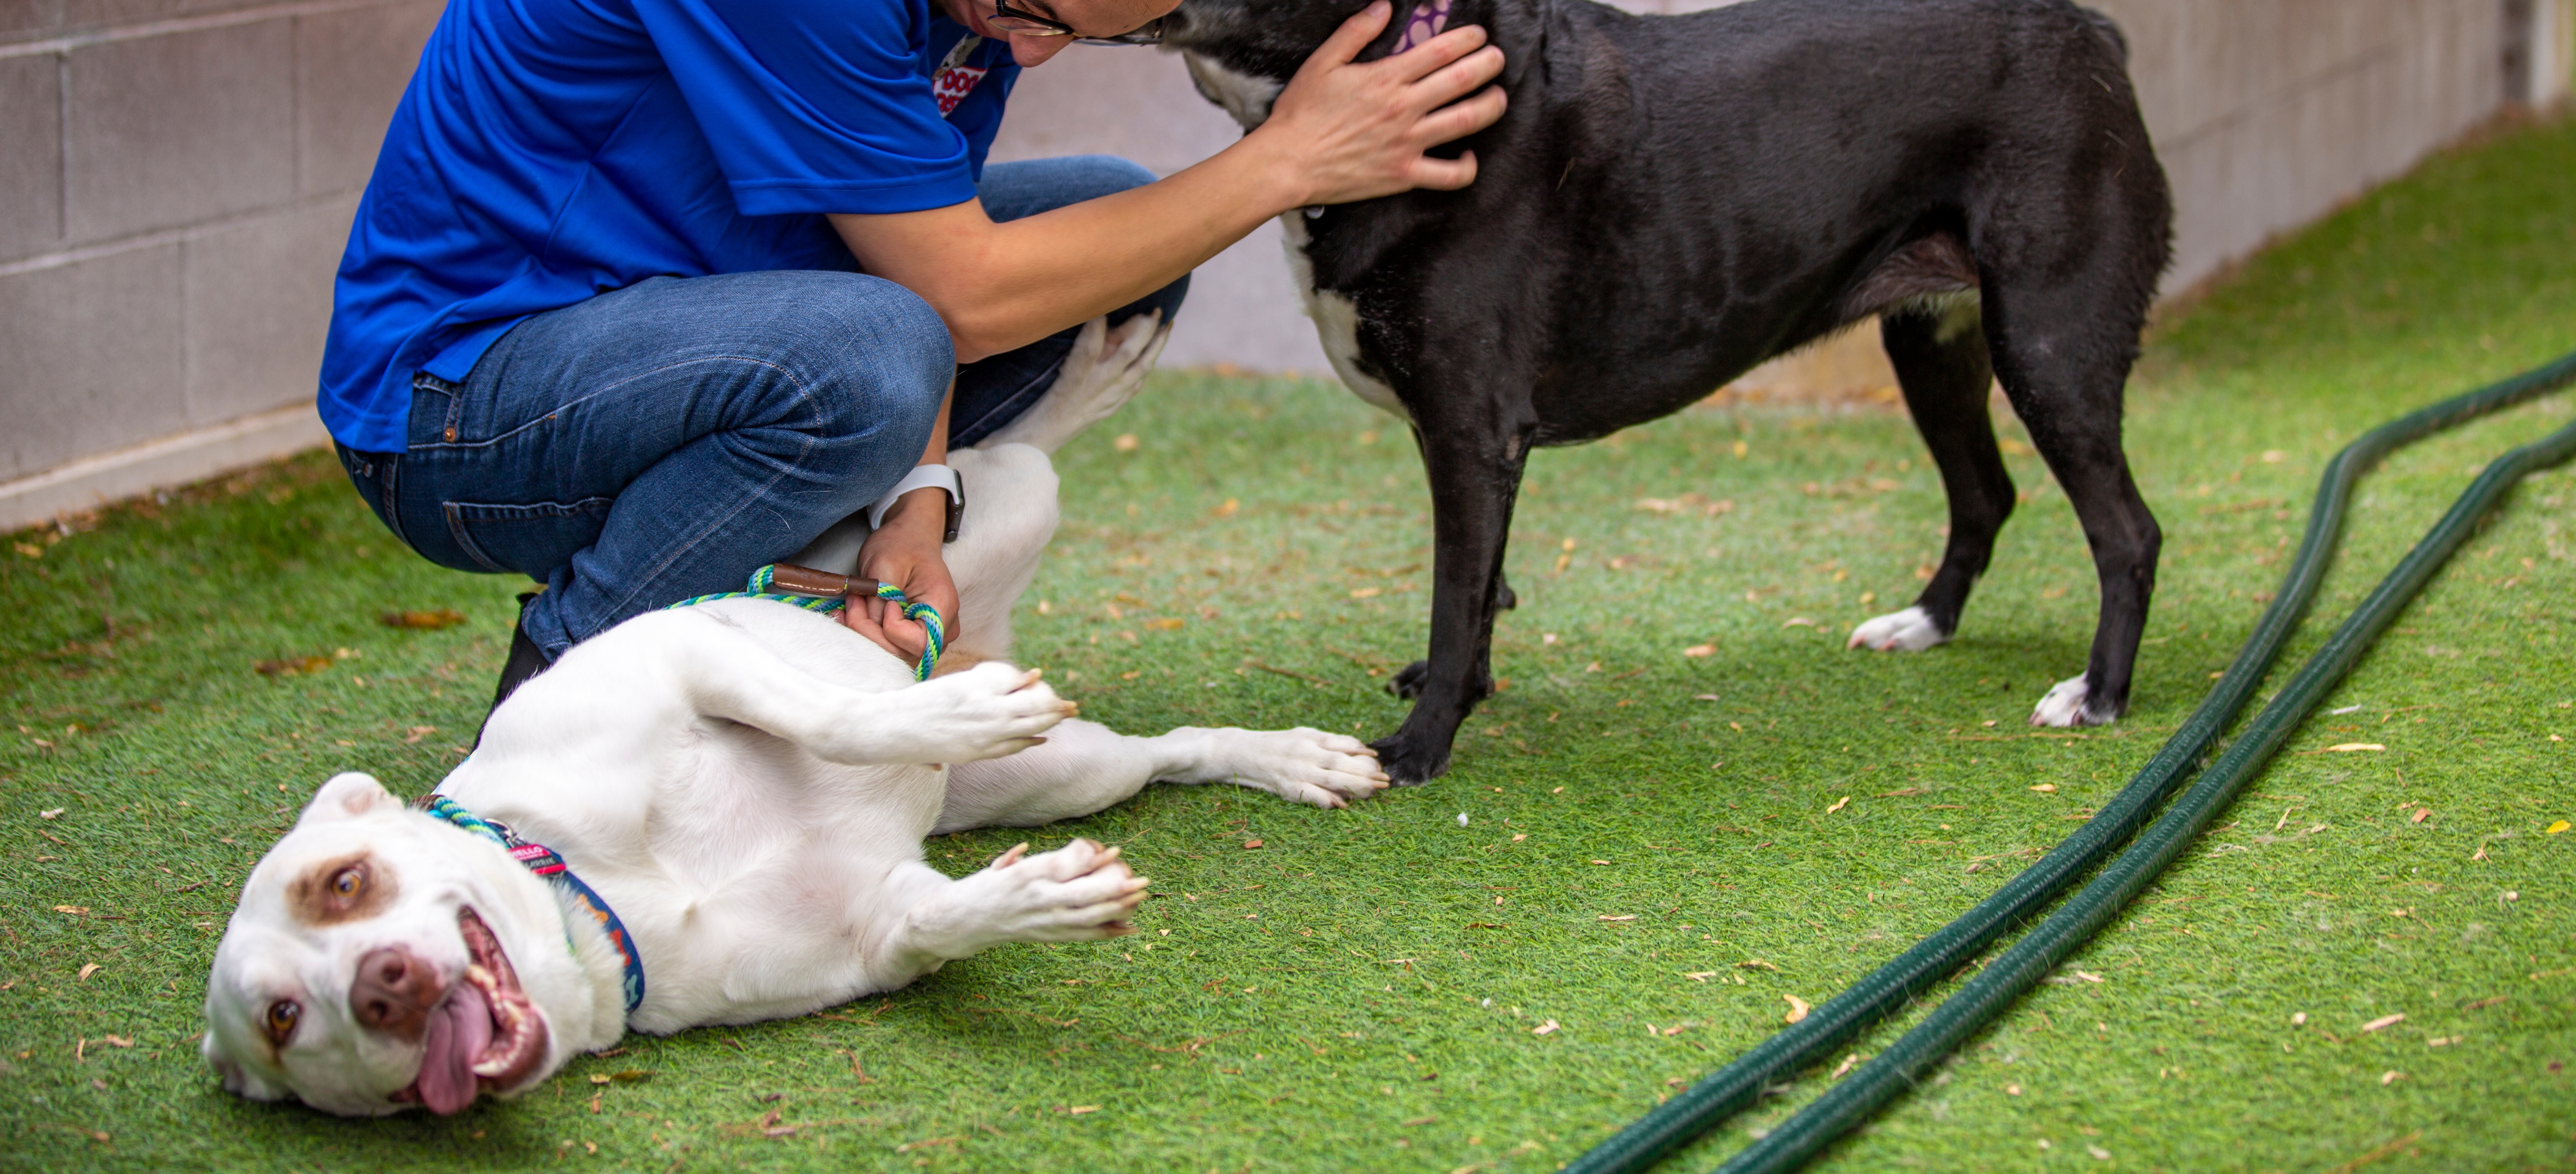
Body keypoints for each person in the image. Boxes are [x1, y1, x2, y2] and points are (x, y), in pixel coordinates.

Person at [318, 0, 1506, 717]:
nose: (1030, 54)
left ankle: (775, 595)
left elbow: (901, 260)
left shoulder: (981, 11)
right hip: (457, 406)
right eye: (1031, 9)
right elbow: (948, 301)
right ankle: (556, 696)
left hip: (716, 334)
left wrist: (917, 508)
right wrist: (1287, 162)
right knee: (890, 346)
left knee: (1111, 233)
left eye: (1081, 34)